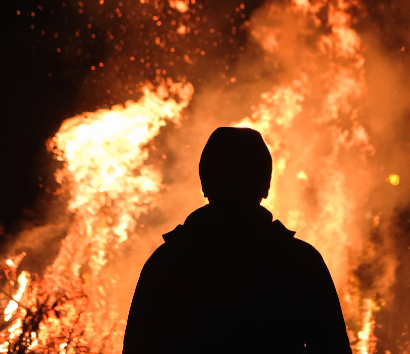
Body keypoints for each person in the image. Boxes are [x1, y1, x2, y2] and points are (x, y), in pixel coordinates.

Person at [123, 127, 352, 353]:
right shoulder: (301, 262)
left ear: (205, 182)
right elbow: (333, 347)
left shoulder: (167, 263)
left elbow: (138, 346)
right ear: (265, 185)